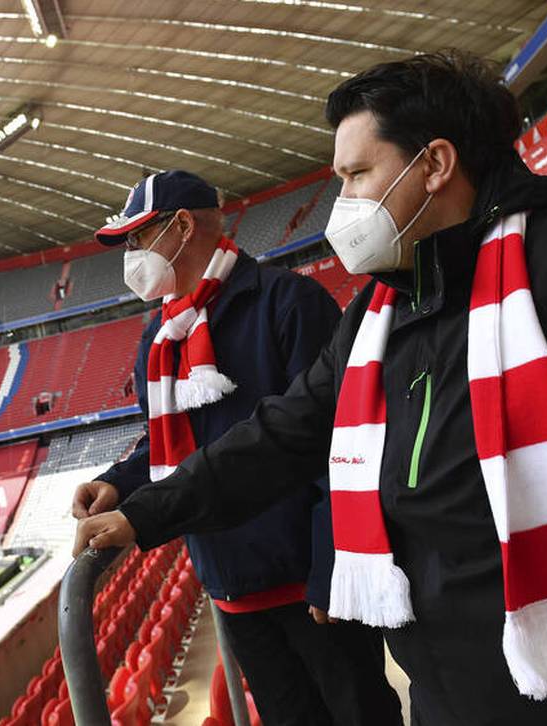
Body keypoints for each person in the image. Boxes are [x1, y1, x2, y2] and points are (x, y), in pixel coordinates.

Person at [75, 51, 547, 725]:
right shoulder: (382, 311)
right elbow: (286, 430)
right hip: (447, 696)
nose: (342, 201)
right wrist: (147, 513)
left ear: (436, 165)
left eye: (356, 175)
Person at [73, 170, 402, 725]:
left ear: (180, 227)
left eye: (136, 238)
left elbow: (336, 440)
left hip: (312, 587)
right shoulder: (159, 341)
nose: (130, 255)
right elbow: (168, 445)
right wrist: (119, 482)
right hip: (232, 589)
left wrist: (332, 565)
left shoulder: (288, 303)